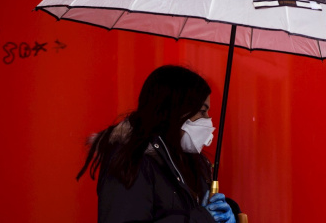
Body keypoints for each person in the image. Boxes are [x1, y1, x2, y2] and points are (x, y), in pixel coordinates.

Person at [77, 65, 236, 223]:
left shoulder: (193, 162)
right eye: (202, 111)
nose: (208, 120)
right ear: (175, 109)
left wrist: (229, 212)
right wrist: (201, 219)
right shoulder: (133, 162)